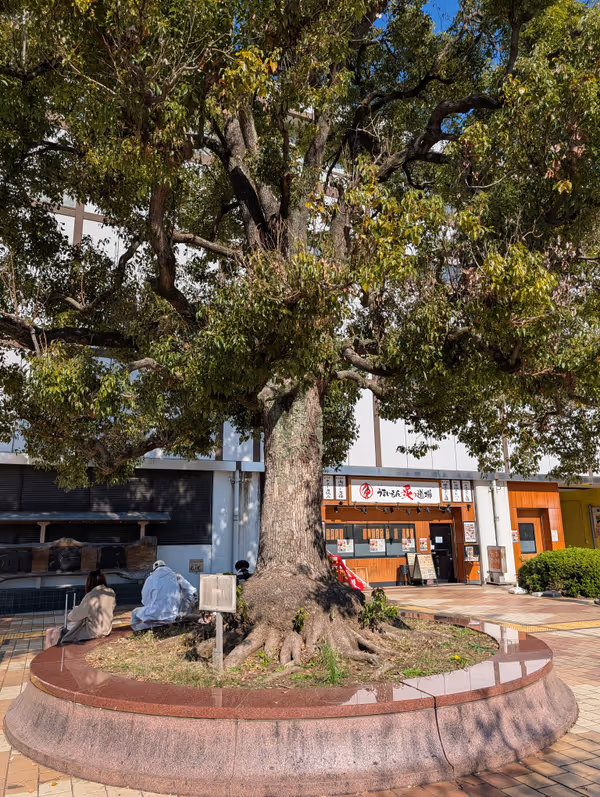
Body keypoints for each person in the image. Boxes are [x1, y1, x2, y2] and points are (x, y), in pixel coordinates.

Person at [44, 570, 116, 648]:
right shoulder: (111, 592)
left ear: (89, 582)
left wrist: (72, 612)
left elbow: (77, 615)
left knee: (53, 632)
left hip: (93, 632)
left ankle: (50, 654)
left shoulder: (91, 596)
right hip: (106, 629)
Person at [130, 560, 197, 632]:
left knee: (134, 613)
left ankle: (137, 631)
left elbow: (145, 600)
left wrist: (151, 605)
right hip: (173, 614)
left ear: (154, 569)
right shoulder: (177, 577)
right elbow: (192, 591)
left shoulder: (150, 579)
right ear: (165, 566)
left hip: (154, 613)